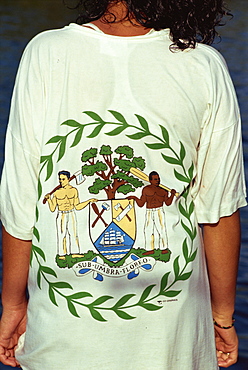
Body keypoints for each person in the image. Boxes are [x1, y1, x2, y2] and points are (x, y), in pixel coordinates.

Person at [0, 0, 246, 369]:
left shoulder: (45, 52)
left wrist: (13, 304)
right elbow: (219, 212)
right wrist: (222, 316)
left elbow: (20, 205)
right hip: (173, 339)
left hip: (62, 337)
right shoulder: (204, 65)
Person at [45, 170, 97, 259]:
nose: (61, 181)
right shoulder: (57, 192)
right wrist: (49, 199)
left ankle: (75, 252)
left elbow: (77, 206)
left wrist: (88, 201)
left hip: (71, 213)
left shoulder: (74, 191)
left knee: (73, 233)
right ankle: (62, 254)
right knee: (62, 235)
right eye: (60, 179)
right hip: (61, 215)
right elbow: (52, 208)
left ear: (68, 179)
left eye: (63, 179)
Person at [128, 171, 176, 254]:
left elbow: (168, 203)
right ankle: (150, 249)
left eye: (158, 179)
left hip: (159, 211)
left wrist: (172, 195)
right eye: (155, 179)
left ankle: (164, 248)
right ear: (150, 180)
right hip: (149, 211)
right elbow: (141, 204)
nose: (157, 181)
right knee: (148, 229)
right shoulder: (146, 190)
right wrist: (134, 198)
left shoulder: (163, 191)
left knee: (161, 229)